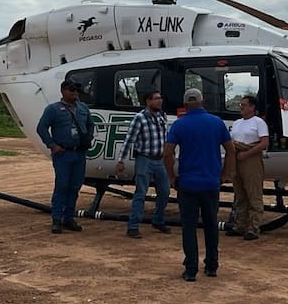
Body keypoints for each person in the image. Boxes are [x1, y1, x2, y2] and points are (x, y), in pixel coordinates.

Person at [164, 88, 234, 282]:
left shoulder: (179, 125)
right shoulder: (216, 122)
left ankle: (191, 269)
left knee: (189, 226)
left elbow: (167, 153)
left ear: (185, 105)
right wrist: (225, 174)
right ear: (203, 101)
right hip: (211, 182)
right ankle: (211, 265)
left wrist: (172, 177)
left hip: (188, 183)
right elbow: (231, 150)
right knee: (211, 225)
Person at [36, 80, 96, 234]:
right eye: (71, 90)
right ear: (63, 91)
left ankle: (68, 217)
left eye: (76, 90)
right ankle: (56, 219)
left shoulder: (83, 108)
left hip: (79, 153)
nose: (74, 92)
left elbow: (90, 124)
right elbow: (41, 128)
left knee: (75, 187)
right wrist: (52, 145)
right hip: (63, 153)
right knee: (62, 186)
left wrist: (88, 139)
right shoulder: (53, 109)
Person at [115, 90, 171, 238]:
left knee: (165, 191)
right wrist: (121, 160)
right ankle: (133, 226)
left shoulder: (162, 116)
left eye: (160, 98)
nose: (160, 101)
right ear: (148, 101)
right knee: (140, 192)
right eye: (156, 98)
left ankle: (158, 220)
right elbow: (129, 140)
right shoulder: (139, 118)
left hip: (159, 160)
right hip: (144, 159)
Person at [227, 95, 269, 241]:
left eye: (244, 105)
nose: (241, 107)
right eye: (241, 105)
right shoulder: (237, 123)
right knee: (239, 193)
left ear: (252, 107)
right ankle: (240, 225)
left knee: (253, 193)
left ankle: (253, 227)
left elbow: (264, 143)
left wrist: (247, 154)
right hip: (237, 157)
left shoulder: (258, 122)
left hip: (251, 159)